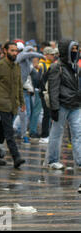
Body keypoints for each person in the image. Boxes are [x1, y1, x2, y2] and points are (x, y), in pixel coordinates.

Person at [0, 42, 26, 169]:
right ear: (5, 51)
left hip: (13, 105)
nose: (15, 53)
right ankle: (16, 157)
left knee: (1, 132)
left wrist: (22, 102)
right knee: (9, 132)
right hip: (2, 104)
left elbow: (19, 86)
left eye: (16, 51)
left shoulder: (17, 66)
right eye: (12, 50)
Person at [44, 39, 80, 170]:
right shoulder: (56, 67)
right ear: (66, 51)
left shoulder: (76, 67)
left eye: (76, 49)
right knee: (56, 134)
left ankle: (80, 160)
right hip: (62, 105)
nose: (75, 52)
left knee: (78, 133)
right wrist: (54, 108)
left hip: (75, 105)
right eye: (73, 49)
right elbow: (53, 89)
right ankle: (52, 160)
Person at [14, 44, 45, 145]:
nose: (32, 56)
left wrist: (41, 72)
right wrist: (41, 55)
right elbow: (28, 54)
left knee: (24, 114)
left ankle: (23, 136)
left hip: (19, 91)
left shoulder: (29, 65)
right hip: (11, 89)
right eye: (30, 53)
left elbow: (36, 77)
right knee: (5, 112)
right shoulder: (21, 57)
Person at [35, 46, 59, 144]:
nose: (54, 56)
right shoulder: (42, 65)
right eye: (52, 54)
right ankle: (44, 135)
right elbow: (39, 79)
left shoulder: (50, 64)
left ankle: (46, 134)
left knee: (48, 114)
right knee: (46, 114)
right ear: (46, 54)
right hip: (44, 92)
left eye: (54, 54)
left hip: (49, 92)